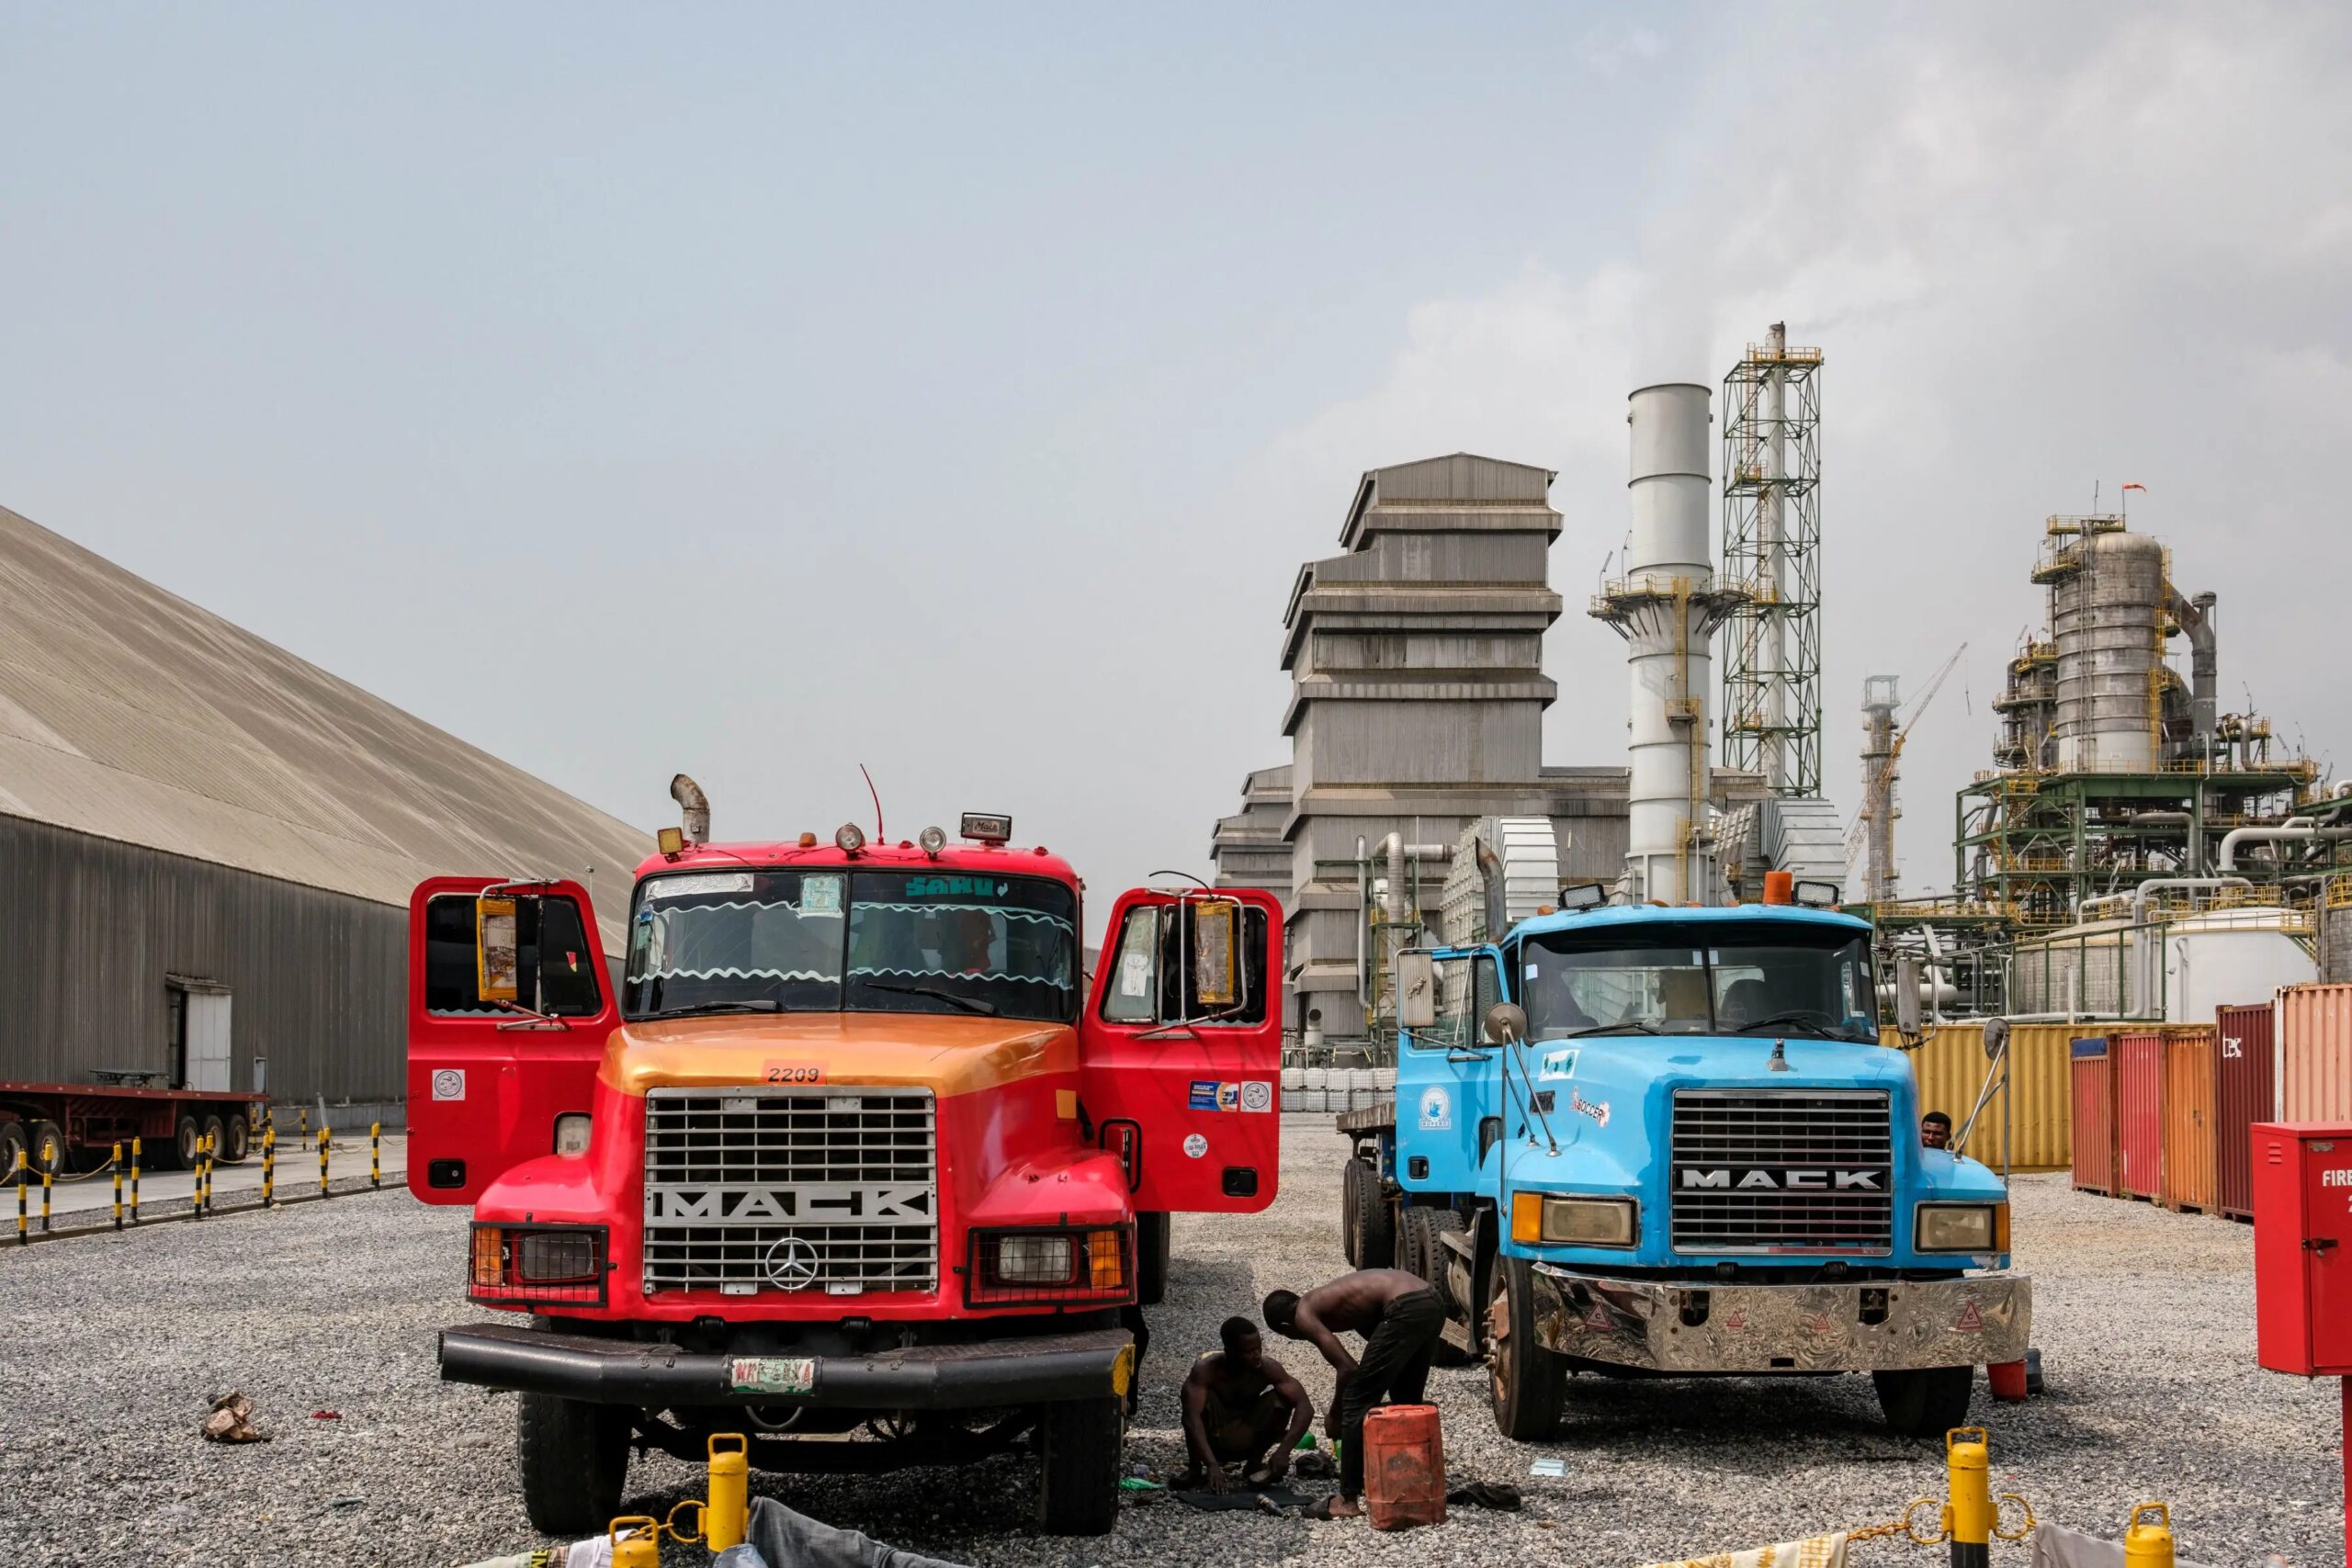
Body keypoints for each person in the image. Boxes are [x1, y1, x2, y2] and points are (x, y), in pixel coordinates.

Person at [1262, 1268, 1446, 1519]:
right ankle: (1411, 1483)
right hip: (1430, 1300)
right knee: (1405, 1399)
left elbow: (1348, 1369)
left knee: (1354, 1401)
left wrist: (1335, 1415)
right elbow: (1380, 1354)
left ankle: (1347, 1500)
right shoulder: (1339, 1304)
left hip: (1406, 1305)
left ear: (1286, 1327)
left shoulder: (1304, 1313)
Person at [1177, 1316, 1313, 1494]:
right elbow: (1191, 1419)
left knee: (1281, 1400)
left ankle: (1254, 1464)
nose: (1256, 1355)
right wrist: (1211, 1465)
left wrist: (1284, 1451)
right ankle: (1195, 1470)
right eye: (1249, 1351)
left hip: (1248, 1432)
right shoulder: (1206, 1370)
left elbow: (1305, 1406)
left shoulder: (1267, 1367)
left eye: (1258, 1348)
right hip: (1214, 1438)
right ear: (1230, 1351)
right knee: (1196, 1405)